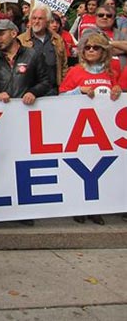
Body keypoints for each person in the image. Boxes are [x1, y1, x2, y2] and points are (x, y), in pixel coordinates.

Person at [60, 32, 121, 225]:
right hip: (80, 129)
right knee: (79, 167)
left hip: (105, 130)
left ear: (104, 51)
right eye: (88, 47)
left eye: (96, 47)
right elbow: (60, 97)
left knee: (102, 168)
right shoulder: (75, 72)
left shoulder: (112, 72)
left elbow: (119, 93)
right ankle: (79, 207)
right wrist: (79, 91)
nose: (91, 51)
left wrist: (119, 91)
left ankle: (96, 208)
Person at [0, 19, 51, 105]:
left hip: (27, 109)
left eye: (1, 34)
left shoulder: (33, 55)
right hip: (2, 110)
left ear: (13, 34)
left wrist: (33, 92)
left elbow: (46, 82)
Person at [17, 4, 68, 95]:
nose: (36, 21)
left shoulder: (58, 39)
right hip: (29, 93)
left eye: (40, 18)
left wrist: (63, 88)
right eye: (34, 18)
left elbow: (63, 66)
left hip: (53, 91)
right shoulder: (21, 40)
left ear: (47, 21)